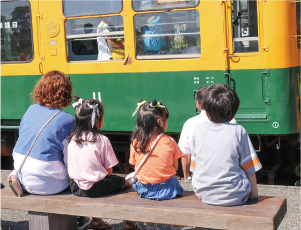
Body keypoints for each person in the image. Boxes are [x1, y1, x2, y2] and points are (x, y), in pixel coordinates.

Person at [66, 96, 140, 230]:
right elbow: (109, 172)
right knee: (126, 182)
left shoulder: (72, 140)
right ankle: (130, 223)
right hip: (95, 189)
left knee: (97, 178)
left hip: (75, 187)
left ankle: (96, 220)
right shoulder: (102, 140)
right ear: (97, 120)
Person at [192, 84, 262, 206]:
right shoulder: (239, 131)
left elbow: (194, 167)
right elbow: (249, 167)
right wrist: (254, 194)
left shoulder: (197, 130)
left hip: (203, 194)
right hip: (234, 196)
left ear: (206, 111)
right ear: (233, 111)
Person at [10, 70, 74, 195]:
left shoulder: (30, 109)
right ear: (66, 93)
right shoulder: (68, 119)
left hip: (22, 178)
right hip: (51, 184)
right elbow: (71, 156)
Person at [130, 99, 183, 230]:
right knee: (172, 181)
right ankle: (175, 225)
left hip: (145, 189)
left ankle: (150, 226)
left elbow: (135, 166)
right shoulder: (169, 141)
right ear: (159, 122)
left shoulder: (136, 142)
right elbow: (175, 168)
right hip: (168, 190)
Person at [179, 86, 237, 180]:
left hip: (201, 179)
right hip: (228, 176)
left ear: (198, 104)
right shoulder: (232, 121)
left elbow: (185, 154)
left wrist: (186, 177)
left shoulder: (190, 123)